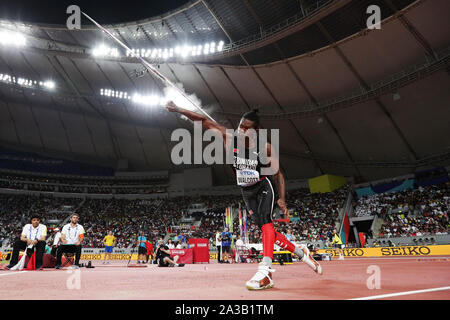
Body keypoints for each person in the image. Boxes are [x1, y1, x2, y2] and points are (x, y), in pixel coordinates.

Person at [166, 101, 322, 290]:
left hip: (263, 187)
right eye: (240, 125)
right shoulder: (229, 138)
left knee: (266, 223)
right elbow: (203, 120)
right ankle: (301, 251)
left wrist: (282, 198)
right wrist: (178, 109)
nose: (241, 130)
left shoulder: (265, 148)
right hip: (247, 192)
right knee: (268, 232)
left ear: (255, 132)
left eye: (247, 129)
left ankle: (264, 271)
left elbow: (278, 174)